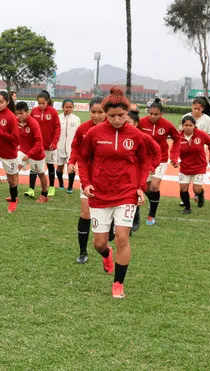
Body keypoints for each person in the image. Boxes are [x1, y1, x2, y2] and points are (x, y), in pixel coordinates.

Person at [78, 87, 151, 298]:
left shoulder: (136, 135)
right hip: (100, 194)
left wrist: (140, 187)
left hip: (126, 193)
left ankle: (118, 283)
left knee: (121, 238)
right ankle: (106, 254)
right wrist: (86, 182)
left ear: (127, 113)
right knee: (99, 243)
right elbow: (82, 158)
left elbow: (145, 160)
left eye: (121, 115)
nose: (117, 120)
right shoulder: (94, 133)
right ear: (105, 114)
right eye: (112, 116)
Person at [68, 96, 106, 264]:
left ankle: (111, 231)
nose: (96, 116)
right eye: (93, 112)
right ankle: (83, 251)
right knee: (85, 214)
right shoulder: (83, 128)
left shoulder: (113, 129)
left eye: (100, 112)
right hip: (88, 178)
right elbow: (75, 146)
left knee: (109, 215)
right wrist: (71, 161)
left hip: (109, 179)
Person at [137, 98, 181, 226]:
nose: (153, 116)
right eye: (150, 113)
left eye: (156, 114)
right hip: (145, 159)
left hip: (160, 159)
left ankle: (151, 215)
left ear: (161, 114)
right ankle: (152, 200)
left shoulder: (167, 125)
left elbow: (177, 139)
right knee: (146, 187)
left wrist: (174, 157)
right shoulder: (142, 123)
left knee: (155, 186)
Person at [125, 111, 161, 233]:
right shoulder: (117, 135)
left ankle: (134, 216)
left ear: (135, 124)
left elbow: (157, 149)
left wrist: (153, 166)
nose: (125, 124)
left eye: (128, 122)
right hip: (122, 171)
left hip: (138, 171)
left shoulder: (143, 136)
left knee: (134, 193)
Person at [179, 96, 210, 205]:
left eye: (198, 109)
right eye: (194, 108)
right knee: (184, 178)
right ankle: (184, 199)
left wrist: (204, 146)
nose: (195, 111)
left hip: (200, 150)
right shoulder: (186, 117)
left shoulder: (207, 119)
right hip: (186, 150)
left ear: (203, 109)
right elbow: (180, 133)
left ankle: (198, 193)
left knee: (197, 181)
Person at [14, 101, 49, 203]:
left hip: (36, 154)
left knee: (41, 174)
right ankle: (14, 195)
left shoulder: (33, 123)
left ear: (27, 112)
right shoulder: (17, 122)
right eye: (17, 113)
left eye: (21, 113)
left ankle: (44, 194)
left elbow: (39, 142)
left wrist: (29, 155)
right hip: (23, 151)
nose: (19, 116)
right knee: (15, 170)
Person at [28, 90, 61, 198]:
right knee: (34, 168)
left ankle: (51, 187)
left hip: (49, 146)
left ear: (47, 101)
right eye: (39, 103)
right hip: (37, 146)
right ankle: (31, 189)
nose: (41, 105)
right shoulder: (33, 111)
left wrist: (54, 142)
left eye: (43, 103)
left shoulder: (53, 112)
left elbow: (57, 128)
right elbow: (30, 126)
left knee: (50, 166)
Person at [56, 99, 81, 193]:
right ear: (62, 107)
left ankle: (70, 187)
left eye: (70, 107)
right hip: (60, 147)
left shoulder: (76, 119)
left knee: (71, 167)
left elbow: (79, 134)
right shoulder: (58, 118)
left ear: (73, 108)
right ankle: (61, 183)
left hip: (71, 148)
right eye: (66, 107)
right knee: (59, 167)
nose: (68, 109)